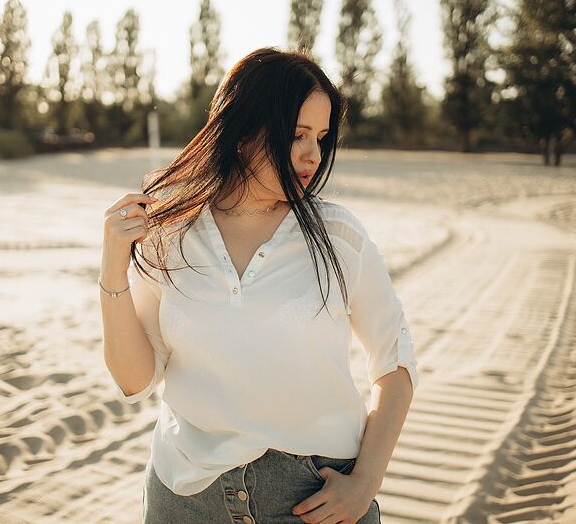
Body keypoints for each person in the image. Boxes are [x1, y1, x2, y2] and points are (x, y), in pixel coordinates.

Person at [99, 47, 419, 524]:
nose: (313, 155)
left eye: (321, 138)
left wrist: (365, 483)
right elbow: (135, 380)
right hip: (185, 499)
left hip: (313, 498)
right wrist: (112, 272)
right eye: (297, 135)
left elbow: (394, 363)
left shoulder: (338, 235)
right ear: (245, 130)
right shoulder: (171, 235)